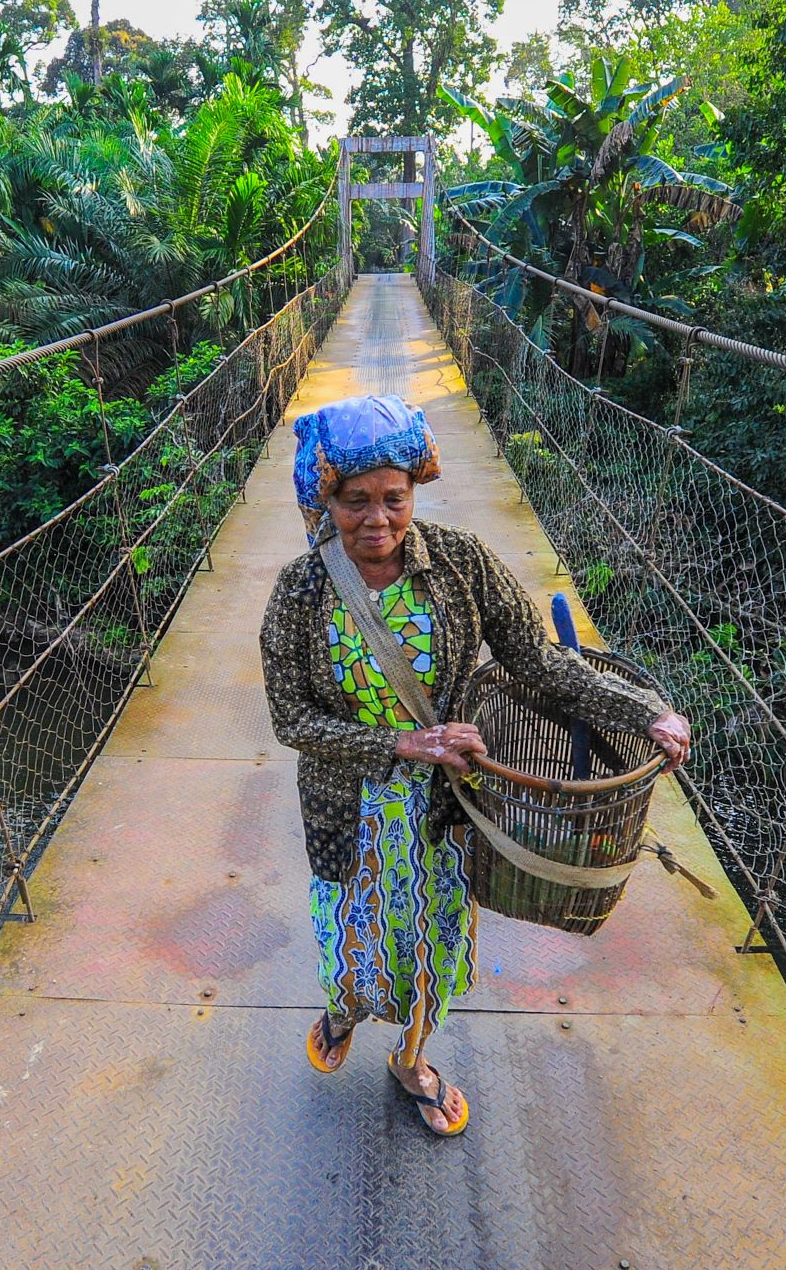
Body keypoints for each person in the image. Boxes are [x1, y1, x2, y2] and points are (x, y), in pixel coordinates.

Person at [258, 395, 692, 1136]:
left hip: (444, 809)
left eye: (393, 499)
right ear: (323, 500)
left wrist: (640, 708)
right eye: (353, 501)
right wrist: (399, 744)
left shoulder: (459, 562)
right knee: (350, 938)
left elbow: (538, 661)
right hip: (347, 807)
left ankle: (410, 1058)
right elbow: (291, 720)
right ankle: (343, 1009)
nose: (377, 521)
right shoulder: (297, 594)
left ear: (414, 492)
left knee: (434, 941)